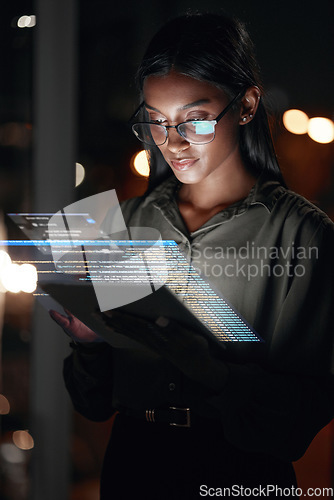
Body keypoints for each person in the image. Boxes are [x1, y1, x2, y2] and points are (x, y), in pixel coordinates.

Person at [49, 12, 334, 499]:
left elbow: (297, 422)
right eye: (155, 122)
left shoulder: (302, 235)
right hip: (133, 467)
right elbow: (92, 405)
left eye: (195, 120)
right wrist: (90, 344)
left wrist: (214, 373)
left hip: (239, 474)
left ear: (246, 105)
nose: (172, 143)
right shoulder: (129, 223)